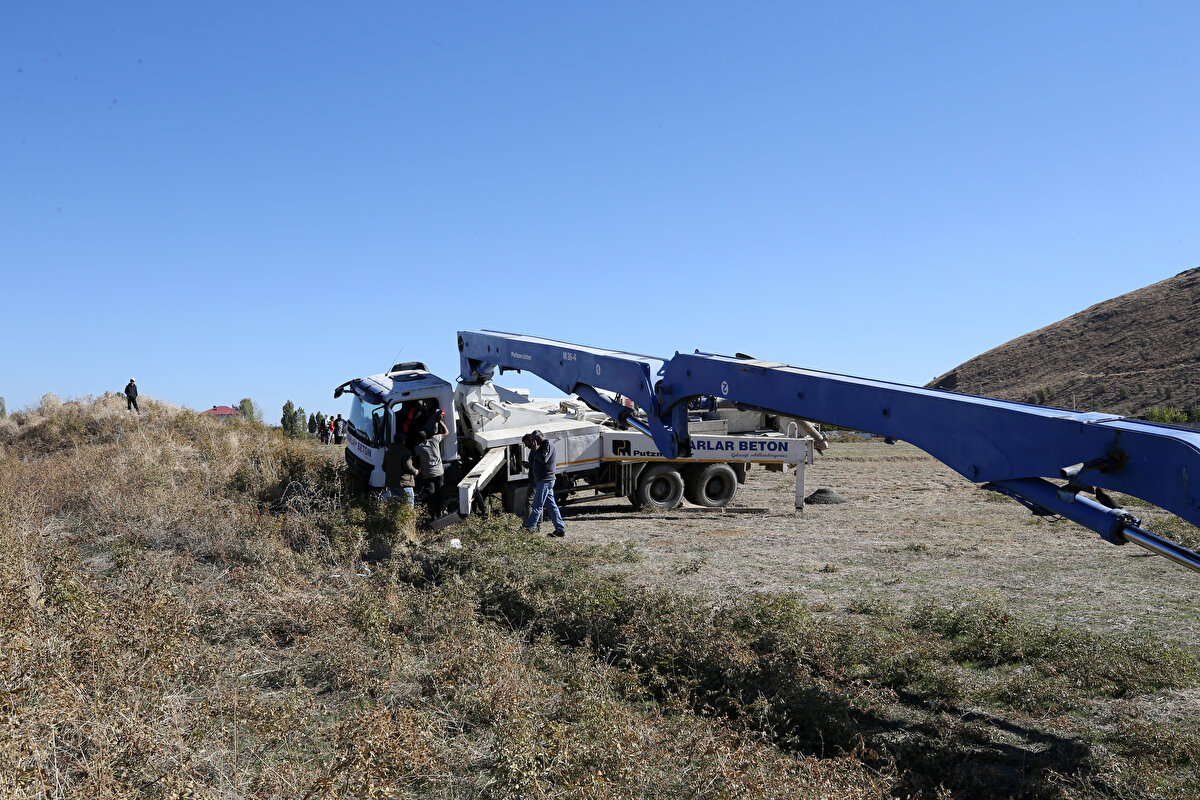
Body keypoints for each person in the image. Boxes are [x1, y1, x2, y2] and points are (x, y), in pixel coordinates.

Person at [523, 430, 565, 537]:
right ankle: (560, 529)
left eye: (533, 440)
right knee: (551, 506)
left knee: (537, 505)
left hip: (545, 480)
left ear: (538, 438)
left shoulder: (547, 445)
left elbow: (543, 459)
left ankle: (529, 529)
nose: (532, 442)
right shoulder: (541, 446)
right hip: (543, 480)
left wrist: (535, 450)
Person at [414, 412, 450, 519]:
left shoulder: (418, 448)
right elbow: (447, 432)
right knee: (440, 492)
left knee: (431, 493)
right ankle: (440, 512)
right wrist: (440, 422)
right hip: (439, 471)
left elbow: (416, 457)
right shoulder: (435, 440)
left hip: (428, 474)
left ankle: (432, 515)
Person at [382, 436, 418, 506]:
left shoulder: (388, 452)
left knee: (395, 507)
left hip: (391, 483)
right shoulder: (405, 452)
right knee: (408, 506)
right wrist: (415, 471)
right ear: (403, 441)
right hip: (404, 483)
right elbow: (408, 466)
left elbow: (384, 467)